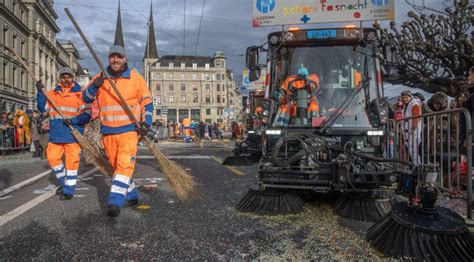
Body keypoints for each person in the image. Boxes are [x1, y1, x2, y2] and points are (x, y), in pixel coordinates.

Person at [82, 45, 153, 217]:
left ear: (124, 59)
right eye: (113, 57)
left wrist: (146, 123)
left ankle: (115, 201)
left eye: (119, 57)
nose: (116, 60)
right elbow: (85, 98)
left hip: (129, 131)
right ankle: (133, 194)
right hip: (108, 133)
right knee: (116, 167)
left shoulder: (136, 79)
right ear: (109, 59)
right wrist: (93, 87)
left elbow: (147, 104)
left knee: (124, 165)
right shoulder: (100, 78)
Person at [37, 67, 92, 199]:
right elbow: (41, 108)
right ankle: (65, 183)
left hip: (73, 134)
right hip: (56, 134)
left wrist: (73, 121)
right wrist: (40, 93)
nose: (66, 79)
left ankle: (68, 191)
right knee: (52, 158)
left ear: (73, 78)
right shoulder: (52, 94)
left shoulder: (81, 94)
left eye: (69, 77)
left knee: (71, 163)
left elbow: (87, 115)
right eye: (63, 77)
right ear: (60, 79)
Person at [400, 90, 422, 165]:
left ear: (410, 96)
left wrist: (413, 127)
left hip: (413, 131)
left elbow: (416, 117)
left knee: (414, 150)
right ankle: (415, 165)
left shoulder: (414, 104)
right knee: (411, 150)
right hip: (408, 131)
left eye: (406, 97)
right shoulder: (406, 105)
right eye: (403, 98)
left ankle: (417, 166)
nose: (404, 99)